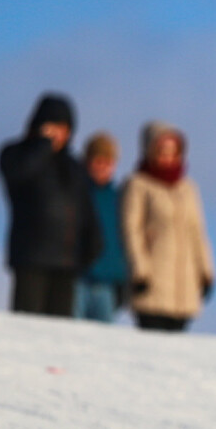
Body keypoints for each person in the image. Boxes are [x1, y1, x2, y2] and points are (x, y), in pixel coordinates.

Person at [0, 92, 101, 316]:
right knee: (27, 326)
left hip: (67, 263)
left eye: (63, 128)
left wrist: (92, 245)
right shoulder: (15, 153)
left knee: (59, 334)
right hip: (31, 258)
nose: (58, 134)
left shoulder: (73, 167)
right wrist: (42, 145)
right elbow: (18, 175)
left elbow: (86, 210)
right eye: (52, 125)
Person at [122, 121, 216, 332]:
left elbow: (197, 232)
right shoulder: (138, 184)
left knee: (176, 350)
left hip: (184, 286)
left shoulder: (187, 189)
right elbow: (131, 230)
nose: (168, 157)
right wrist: (140, 271)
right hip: (152, 282)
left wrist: (206, 272)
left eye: (173, 152)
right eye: (162, 151)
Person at [75, 132, 129, 322]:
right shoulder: (77, 192)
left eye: (108, 162)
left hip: (107, 284)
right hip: (78, 280)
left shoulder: (119, 199)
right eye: (98, 160)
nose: (102, 167)